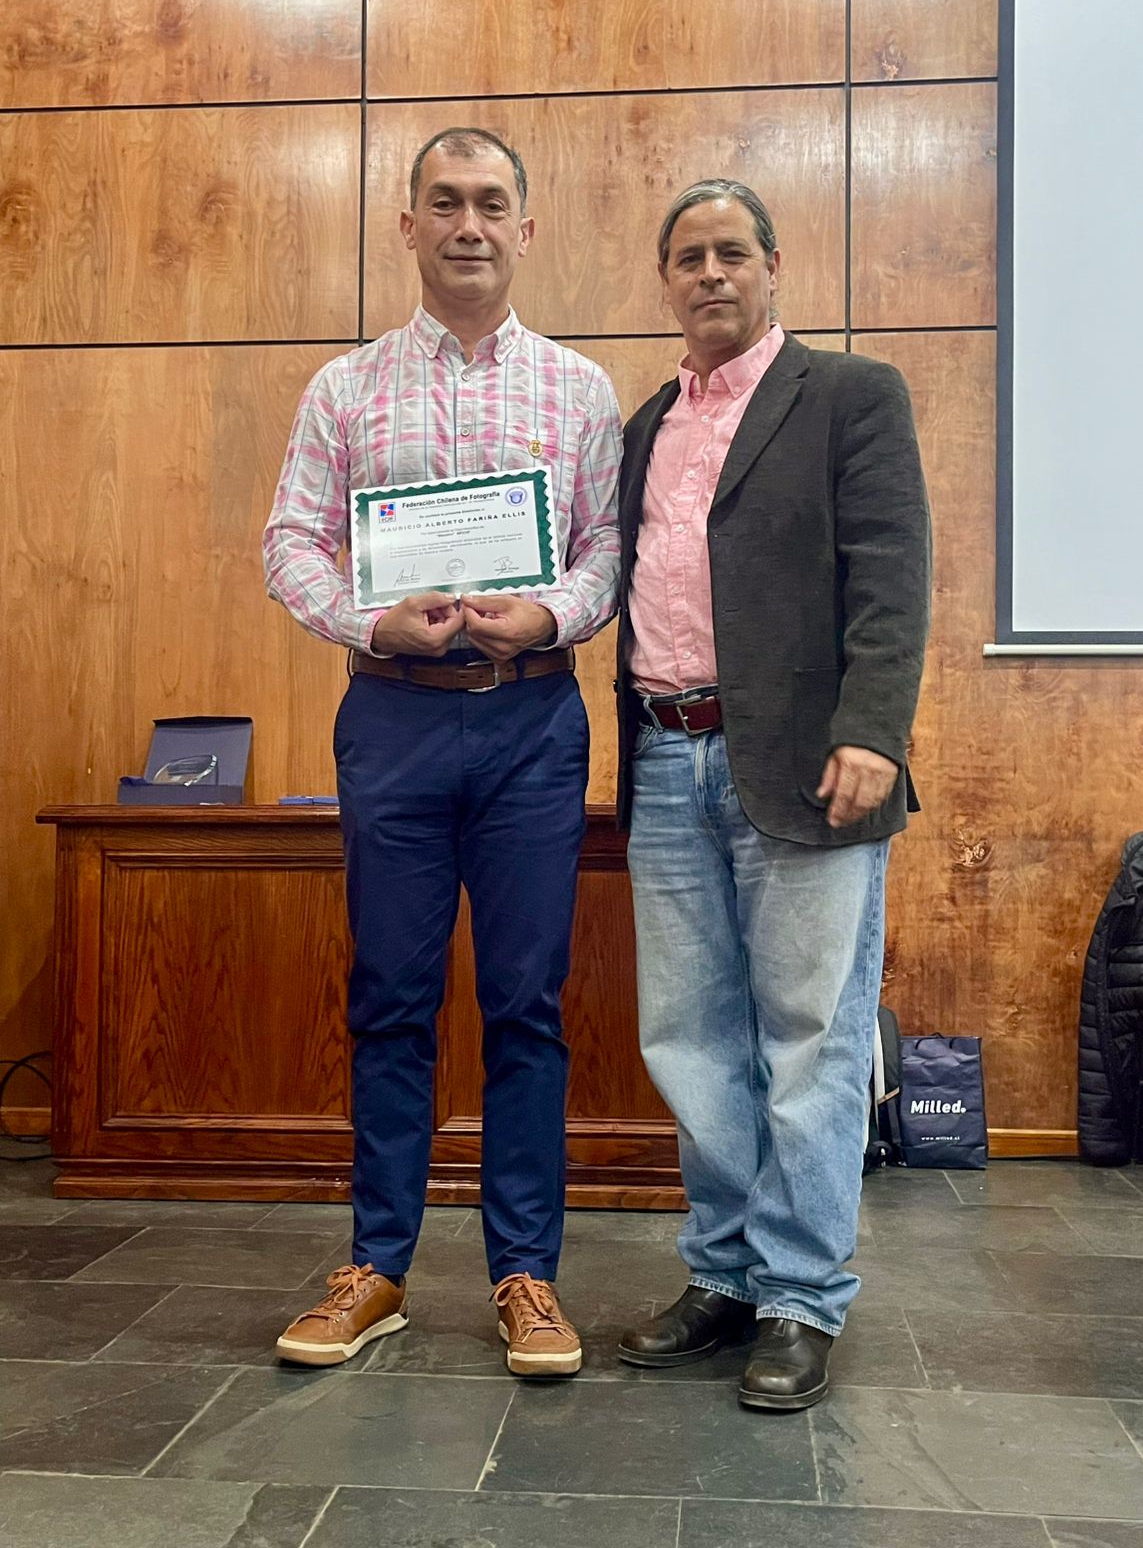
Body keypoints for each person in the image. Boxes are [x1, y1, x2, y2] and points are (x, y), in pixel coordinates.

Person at [263, 127, 621, 1377]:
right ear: (408, 225)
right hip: (394, 719)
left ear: (526, 227)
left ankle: (526, 1274)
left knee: (527, 1003)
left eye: (492, 204)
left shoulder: (580, 390)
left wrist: (549, 614)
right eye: (446, 203)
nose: (470, 225)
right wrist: (369, 619)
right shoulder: (343, 388)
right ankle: (377, 1266)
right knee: (389, 998)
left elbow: (606, 551)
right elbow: (291, 542)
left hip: (532, 720)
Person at [614, 179, 931, 1411]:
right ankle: (725, 1274)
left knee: (811, 1037)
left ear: (773, 266)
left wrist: (874, 731)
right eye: (688, 256)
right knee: (691, 1040)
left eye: (732, 252)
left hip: (809, 766)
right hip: (664, 758)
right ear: (666, 281)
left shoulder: (850, 393)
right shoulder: (647, 423)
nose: (711, 273)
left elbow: (893, 569)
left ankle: (800, 1294)